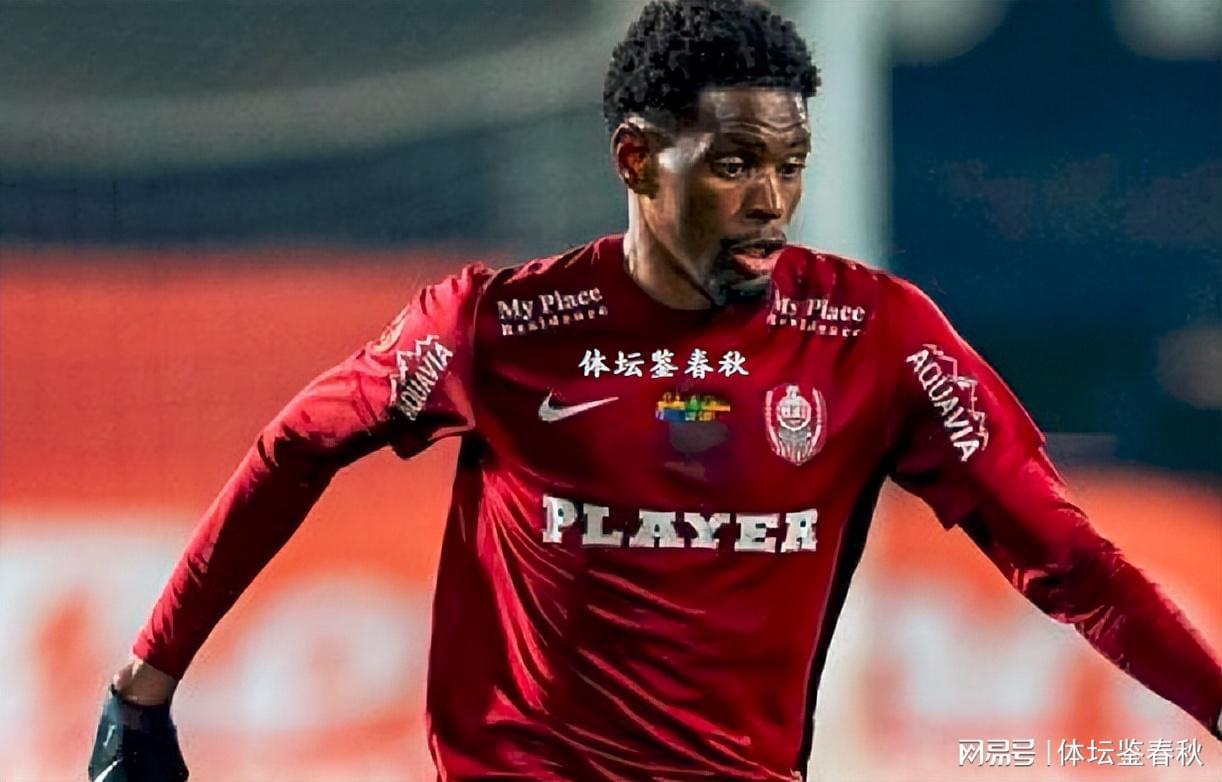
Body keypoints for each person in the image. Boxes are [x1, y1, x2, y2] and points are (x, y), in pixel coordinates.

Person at [89, 1, 1222, 780]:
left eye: (789, 165)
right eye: (733, 164)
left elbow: (1069, 562)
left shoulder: (874, 339)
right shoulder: (497, 327)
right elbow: (295, 447)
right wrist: (146, 679)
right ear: (636, 158)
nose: (770, 200)